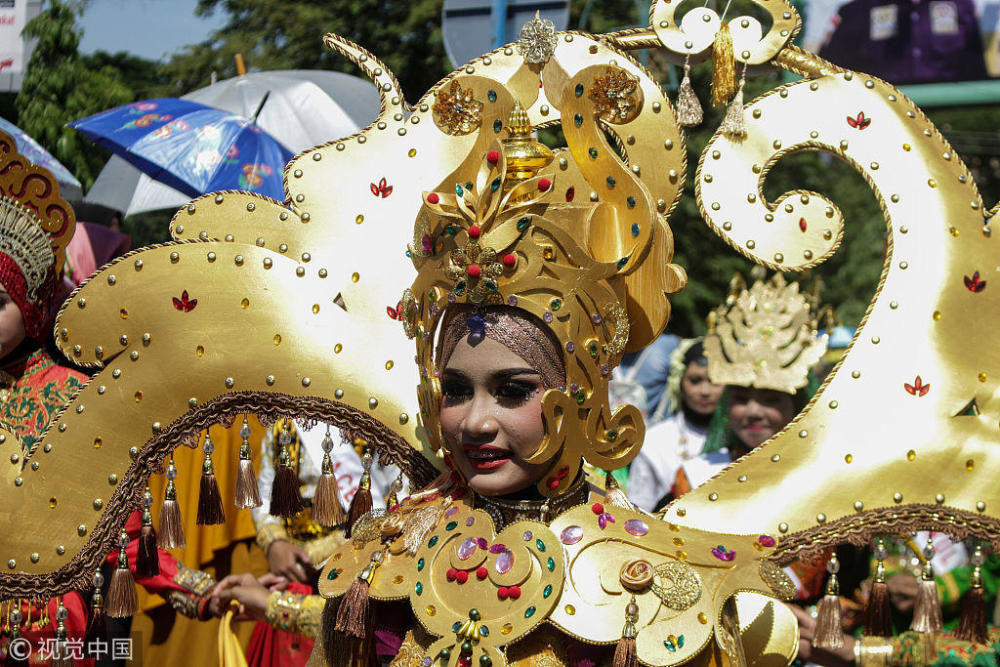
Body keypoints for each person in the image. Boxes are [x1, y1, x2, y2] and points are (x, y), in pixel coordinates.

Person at [0, 134, 221, 664]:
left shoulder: (73, 396)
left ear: (31, 307)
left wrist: (196, 588)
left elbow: (119, 530)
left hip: (49, 630)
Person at [628, 338, 723, 511]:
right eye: (695, 380)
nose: (705, 391)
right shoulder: (654, 442)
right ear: (679, 381)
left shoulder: (743, 438)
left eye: (715, 381)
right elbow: (638, 512)